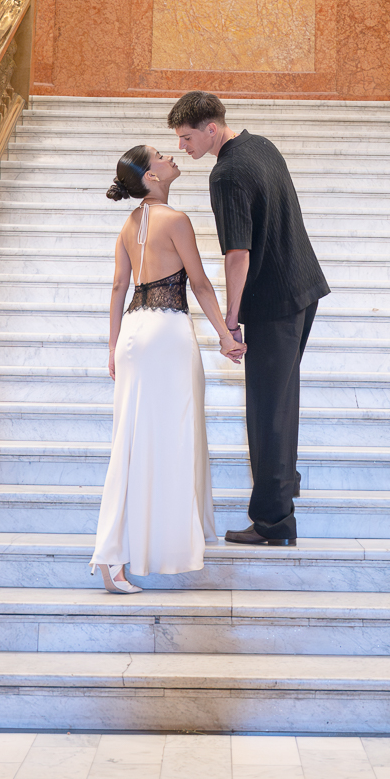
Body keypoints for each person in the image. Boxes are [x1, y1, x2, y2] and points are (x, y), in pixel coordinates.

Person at [168, 92, 330, 547]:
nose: (182, 147)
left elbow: (238, 253)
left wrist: (232, 317)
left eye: (187, 138)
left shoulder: (226, 174)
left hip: (274, 300)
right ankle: (283, 487)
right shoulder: (261, 144)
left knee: (267, 412)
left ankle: (273, 522)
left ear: (211, 129)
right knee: (281, 403)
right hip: (303, 287)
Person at [90, 142, 246, 594]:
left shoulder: (128, 224)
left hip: (133, 334)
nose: (170, 157)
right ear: (151, 177)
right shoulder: (175, 220)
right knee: (172, 439)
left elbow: (118, 288)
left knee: (130, 442)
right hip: (168, 333)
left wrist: (113, 346)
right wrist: (226, 334)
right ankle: (157, 546)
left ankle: (114, 556)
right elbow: (199, 283)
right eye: (160, 156)